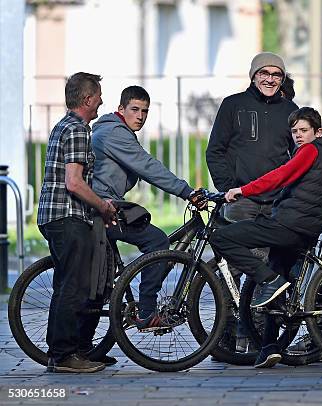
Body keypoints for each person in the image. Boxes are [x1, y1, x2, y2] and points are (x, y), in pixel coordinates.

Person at [209, 107, 322, 368]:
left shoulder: (310, 150)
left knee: (222, 238)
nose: (298, 135)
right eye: (294, 131)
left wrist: (242, 190)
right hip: (306, 232)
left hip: (288, 226)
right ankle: (270, 348)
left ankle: (269, 280)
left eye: (303, 130)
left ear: (318, 132)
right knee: (277, 287)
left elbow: (280, 175)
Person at [206, 52, 298, 352]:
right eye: (265, 73)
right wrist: (229, 188)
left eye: (277, 74)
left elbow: (298, 156)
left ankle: (256, 337)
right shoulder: (233, 105)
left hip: (276, 203)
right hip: (242, 200)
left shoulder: (289, 109)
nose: (271, 79)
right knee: (232, 267)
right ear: (253, 75)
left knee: (267, 267)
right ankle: (226, 337)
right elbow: (215, 151)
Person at [91, 85, 204, 332]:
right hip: (102, 209)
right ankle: (146, 312)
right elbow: (149, 167)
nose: (140, 116)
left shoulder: (111, 130)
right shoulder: (115, 134)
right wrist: (187, 192)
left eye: (145, 111)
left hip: (104, 205)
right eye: (134, 109)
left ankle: (100, 341)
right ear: (120, 109)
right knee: (157, 241)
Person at [37, 72, 116, 373]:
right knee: (74, 286)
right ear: (87, 99)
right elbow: (74, 182)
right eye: (98, 96)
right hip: (68, 216)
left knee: (64, 284)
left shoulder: (63, 126)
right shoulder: (79, 129)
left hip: (54, 215)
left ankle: (63, 351)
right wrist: (103, 206)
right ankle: (66, 355)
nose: (101, 101)